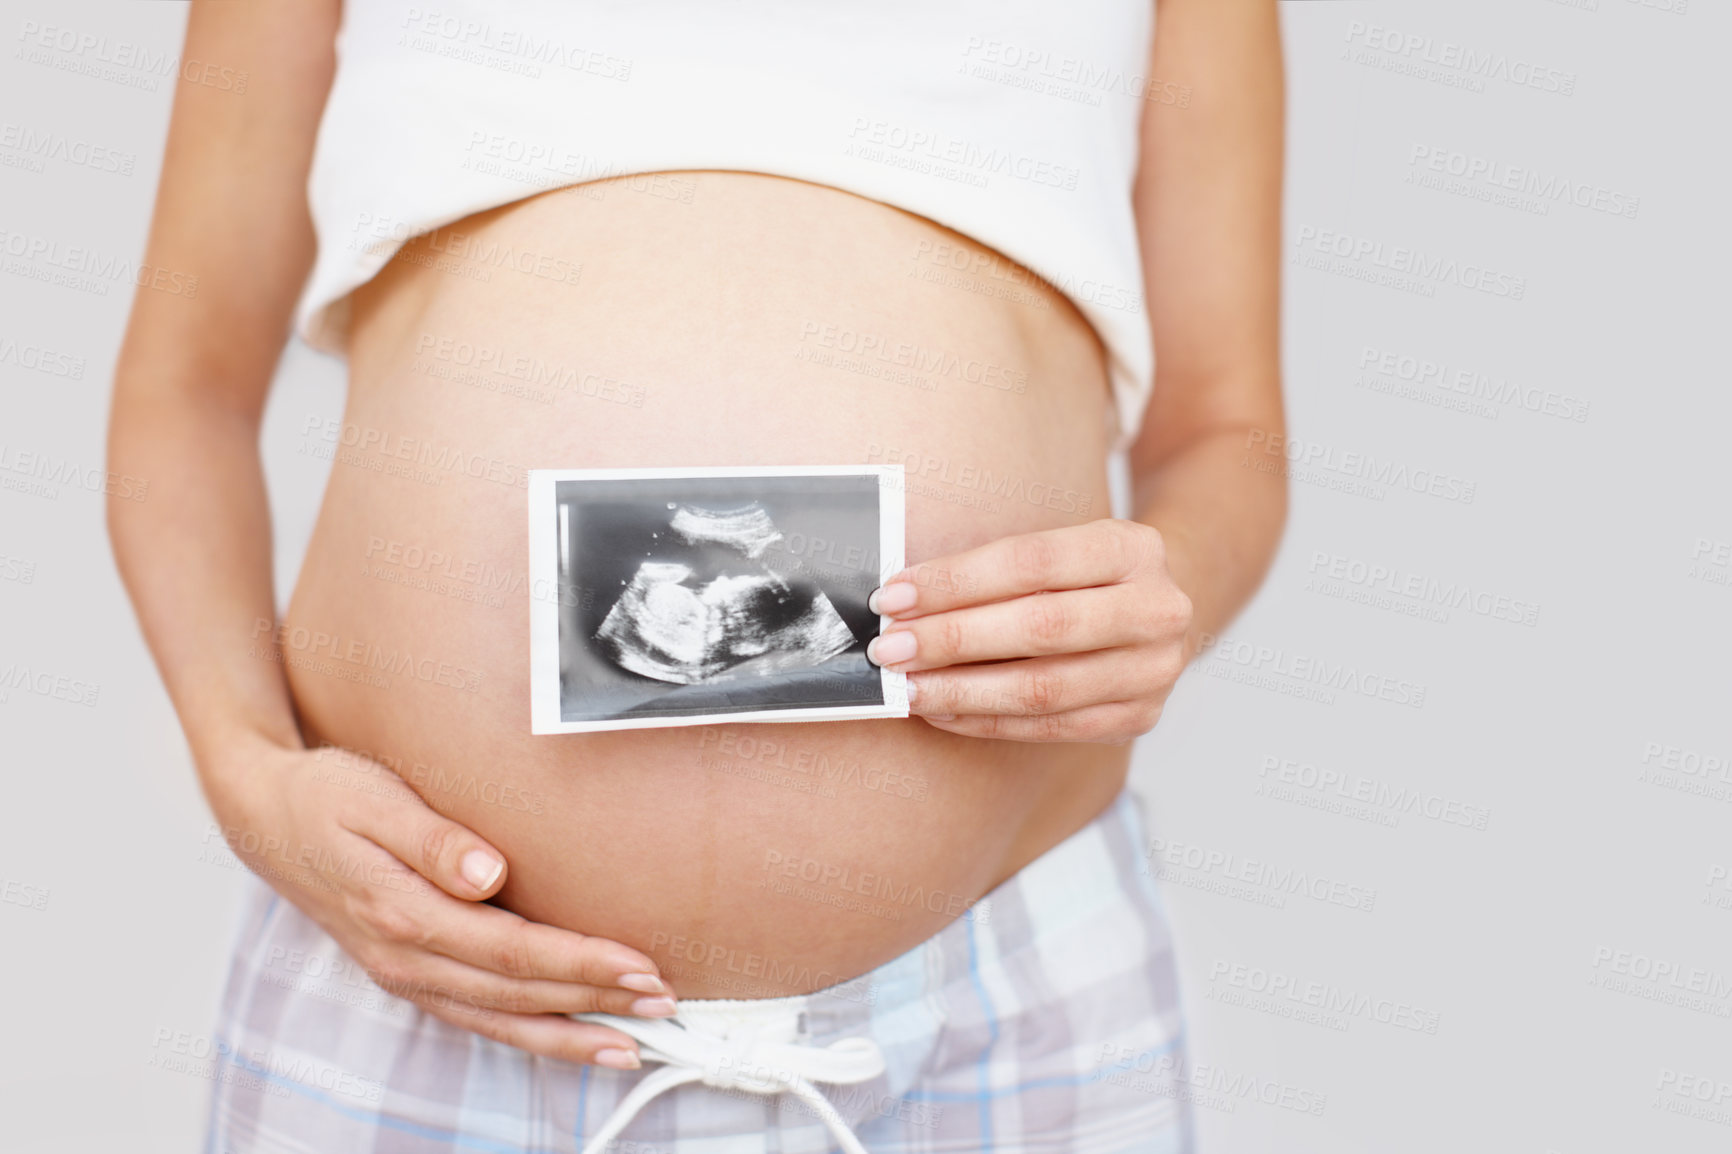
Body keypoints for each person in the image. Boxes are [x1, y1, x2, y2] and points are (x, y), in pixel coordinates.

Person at [107, 1, 1286, 1150]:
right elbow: (185, 393)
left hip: (1000, 999)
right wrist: (247, 777)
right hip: (423, 968)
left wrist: (1162, 595)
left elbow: (1225, 428)